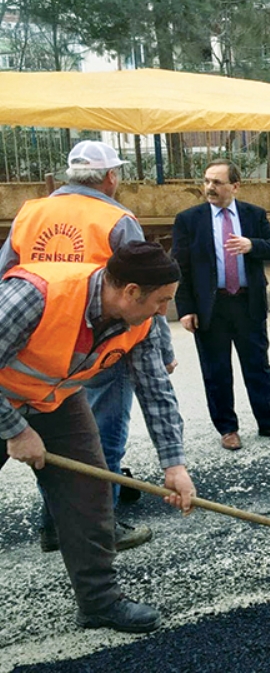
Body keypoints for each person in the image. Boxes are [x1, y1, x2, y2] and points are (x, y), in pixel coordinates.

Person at [0, 241, 197, 633]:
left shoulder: (142, 320)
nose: (164, 311)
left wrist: (173, 464)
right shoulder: (34, 295)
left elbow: (155, 389)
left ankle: (99, 603)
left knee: (89, 494)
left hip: (54, 400)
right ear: (130, 293)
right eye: (161, 301)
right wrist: (15, 429)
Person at [0, 140, 176, 553]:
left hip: (35, 338)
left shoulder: (32, 212)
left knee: (67, 445)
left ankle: (58, 528)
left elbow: (5, 270)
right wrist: (161, 350)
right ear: (111, 177)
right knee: (100, 442)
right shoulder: (116, 217)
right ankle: (100, 524)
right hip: (104, 337)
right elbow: (149, 293)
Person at [171, 159, 270, 450]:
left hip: (247, 303)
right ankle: (227, 428)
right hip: (210, 306)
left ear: (235, 186)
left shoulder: (254, 215)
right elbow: (182, 268)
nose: (210, 187)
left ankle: (269, 422)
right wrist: (186, 309)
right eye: (207, 181)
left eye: (217, 182)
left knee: (258, 365)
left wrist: (252, 245)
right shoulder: (189, 220)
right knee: (216, 371)